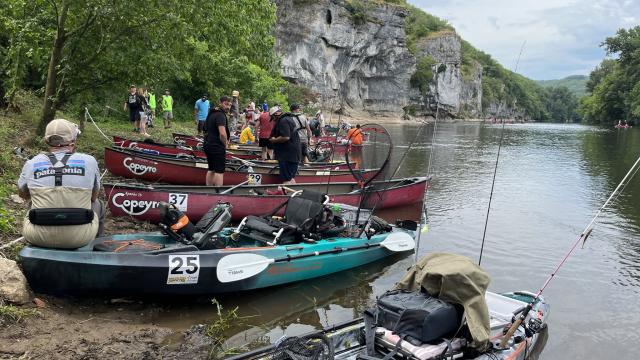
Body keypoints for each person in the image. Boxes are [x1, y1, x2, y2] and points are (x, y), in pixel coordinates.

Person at [18, 119, 104, 249]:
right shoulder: (90, 161)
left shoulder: (31, 163)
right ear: (73, 141)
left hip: (37, 236)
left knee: (32, 202)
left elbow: (23, 195)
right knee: (98, 204)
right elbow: (93, 197)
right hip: (80, 238)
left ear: (47, 140)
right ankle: (94, 249)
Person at [204, 96, 231, 186]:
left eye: (229, 105)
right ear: (220, 103)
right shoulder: (220, 115)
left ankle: (209, 190)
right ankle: (218, 194)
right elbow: (222, 133)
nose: (228, 107)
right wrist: (225, 144)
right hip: (216, 145)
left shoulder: (212, 112)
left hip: (208, 144)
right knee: (219, 171)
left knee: (211, 169)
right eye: (226, 104)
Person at [269, 107, 301, 184]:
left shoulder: (283, 121)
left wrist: (274, 140)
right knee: (290, 177)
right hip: (291, 154)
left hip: (287, 155)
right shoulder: (288, 119)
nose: (273, 120)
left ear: (276, 114)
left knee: (286, 178)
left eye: (273, 117)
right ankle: (289, 193)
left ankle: (284, 194)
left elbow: (286, 137)